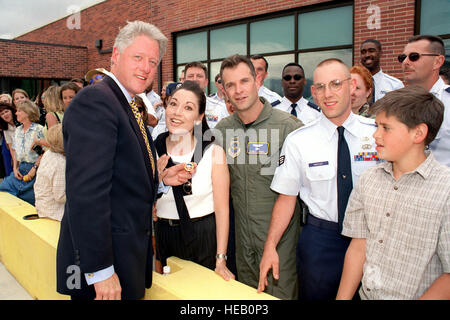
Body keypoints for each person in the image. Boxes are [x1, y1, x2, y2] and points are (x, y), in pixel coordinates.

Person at [56, 21, 192, 300]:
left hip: (124, 256)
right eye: (138, 57)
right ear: (115, 55)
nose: (146, 68)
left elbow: (119, 177)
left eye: (153, 62)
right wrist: (101, 271)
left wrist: (159, 180)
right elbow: (87, 194)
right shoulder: (97, 102)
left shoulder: (125, 103)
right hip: (105, 267)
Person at [258, 58, 379, 301]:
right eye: (321, 87)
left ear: (350, 86)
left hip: (374, 237)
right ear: (313, 92)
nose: (328, 93)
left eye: (335, 84)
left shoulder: (377, 133)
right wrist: (270, 247)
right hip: (321, 241)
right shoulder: (299, 140)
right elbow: (286, 198)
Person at [336, 86, 450, 300]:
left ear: (418, 133)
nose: (375, 134)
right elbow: (359, 247)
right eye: (377, 125)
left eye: (386, 128)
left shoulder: (445, 189)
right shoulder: (369, 179)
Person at [214, 54, 303, 300]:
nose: (238, 90)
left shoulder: (289, 128)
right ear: (223, 89)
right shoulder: (221, 131)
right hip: (243, 248)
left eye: (244, 81)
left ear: (258, 80)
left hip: (280, 248)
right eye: (230, 84)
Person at [153, 81, 234, 281]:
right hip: (164, 235)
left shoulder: (213, 151)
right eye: (173, 104)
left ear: (199, 118)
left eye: (188, 107)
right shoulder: (152, 148)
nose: (177, 112)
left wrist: (221, 259)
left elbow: (223, 209)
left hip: (202, 237)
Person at [400, 34, 449, 166]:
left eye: (414, 56)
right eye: (402, 57)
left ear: (437, 62)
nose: (405, 62)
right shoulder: (398, 103)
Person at [0, 100, 44, 205]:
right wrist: (15, 168)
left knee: (30, 202)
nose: (16, 113)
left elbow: (45, 153)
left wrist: (34, 169)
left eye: (19, 111)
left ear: (27, 112)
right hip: (21, 169)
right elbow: (14, 151)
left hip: (36, 172)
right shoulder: (18, 130)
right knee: (3, 189)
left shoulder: (39, 129)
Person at [34, 124, 66, 221]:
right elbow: (60, 197)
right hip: (55, 214)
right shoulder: (60, 163)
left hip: (43, 208)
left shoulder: (49, 154)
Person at [184, 62, 229, 129]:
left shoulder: (220, 108)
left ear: (206, 82)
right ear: (184, 81)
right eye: (190, 76)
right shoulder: (174, 108)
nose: (195, 79)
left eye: (199, 76)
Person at [0, 102, 19, 176]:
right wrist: (15, 167)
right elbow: (12, 149)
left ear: (11, 111)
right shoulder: (6, 129)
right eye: (2, 114)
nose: (5, 115)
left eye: (6, 111)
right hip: (18, 157)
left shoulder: (21, 122)